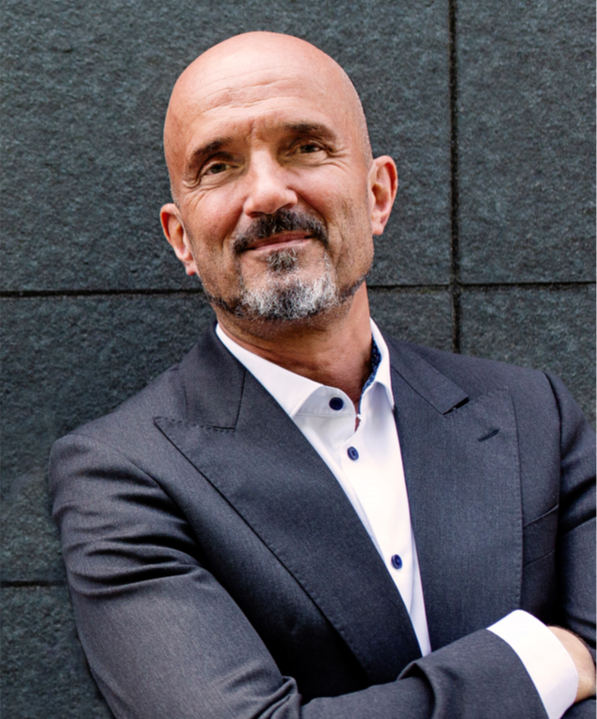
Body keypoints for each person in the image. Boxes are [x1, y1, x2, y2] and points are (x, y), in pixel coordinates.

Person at [49, 31, 596, 718]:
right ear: (182, 237)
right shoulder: (119, 474)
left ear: (377, 194)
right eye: (217, 165)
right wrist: (543, 661)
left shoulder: (531, 412)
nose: (267, 193)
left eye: (305, 147)